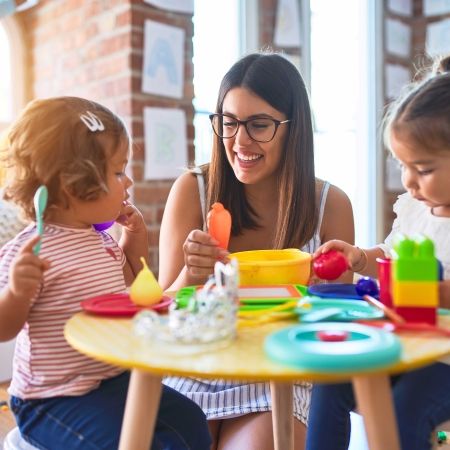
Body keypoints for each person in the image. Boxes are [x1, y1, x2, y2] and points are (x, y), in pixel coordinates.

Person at [158, 52, 355, 450]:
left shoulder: (330, 205)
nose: (240, 141)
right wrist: (188, 278)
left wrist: (319, 298)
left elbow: (335, 328)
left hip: (283, 373)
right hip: (194, 366)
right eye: (228, 123)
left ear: (293, 129)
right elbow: (161, 312)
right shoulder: (192, 190)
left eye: (259, 125)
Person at [0, 96, 211, 450]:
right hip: (52, 398)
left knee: (192, 425)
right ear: (72, 184)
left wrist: (134, 238)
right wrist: (18, 293)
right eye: (117, 172)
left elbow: (132, 286)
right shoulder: (29, 251)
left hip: (112, 378)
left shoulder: (101, 240)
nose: (127, 182)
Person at [306, 55, 450, 450]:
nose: (409, 181)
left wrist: (431, 293)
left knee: (403, 411)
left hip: (444, 362)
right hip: (405, 347)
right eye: (403, 166)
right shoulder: (414, 207)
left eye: (422, 169)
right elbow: (389, 253)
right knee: (332, 378)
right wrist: (358, 257)